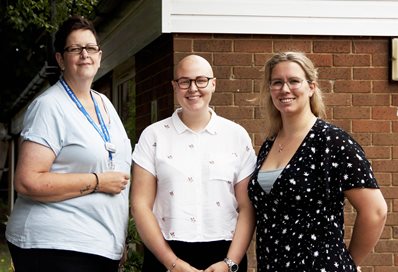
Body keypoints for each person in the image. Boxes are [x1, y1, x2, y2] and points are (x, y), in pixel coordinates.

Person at [5, 15, 132, 272]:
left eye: (90, 48)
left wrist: (115, 240)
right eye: (75, 49)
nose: (85, 54)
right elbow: (27, 180)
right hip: (55, 246)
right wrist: (97, 181)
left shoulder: (105, 103)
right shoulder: (49, 106)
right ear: (61, 59)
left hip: (97, 245)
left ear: (99, 55)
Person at [248, 51, 388, 272]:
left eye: (294, 81)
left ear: (311, 87)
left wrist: (349, 263)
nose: (285, 89)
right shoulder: (270, 144)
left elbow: (376, 211)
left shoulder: (333, 142)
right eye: (277, 82)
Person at [131, 54, 256, 272]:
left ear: (213, 84)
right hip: (165, 255)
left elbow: (247, 207)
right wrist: (173, 263)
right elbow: (140, 205)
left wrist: (230, 263)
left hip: (224, 254)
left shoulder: (236, 136)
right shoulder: (153, 136)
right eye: (184, 81)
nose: (193, 88)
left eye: (201, 80)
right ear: (174, 86)